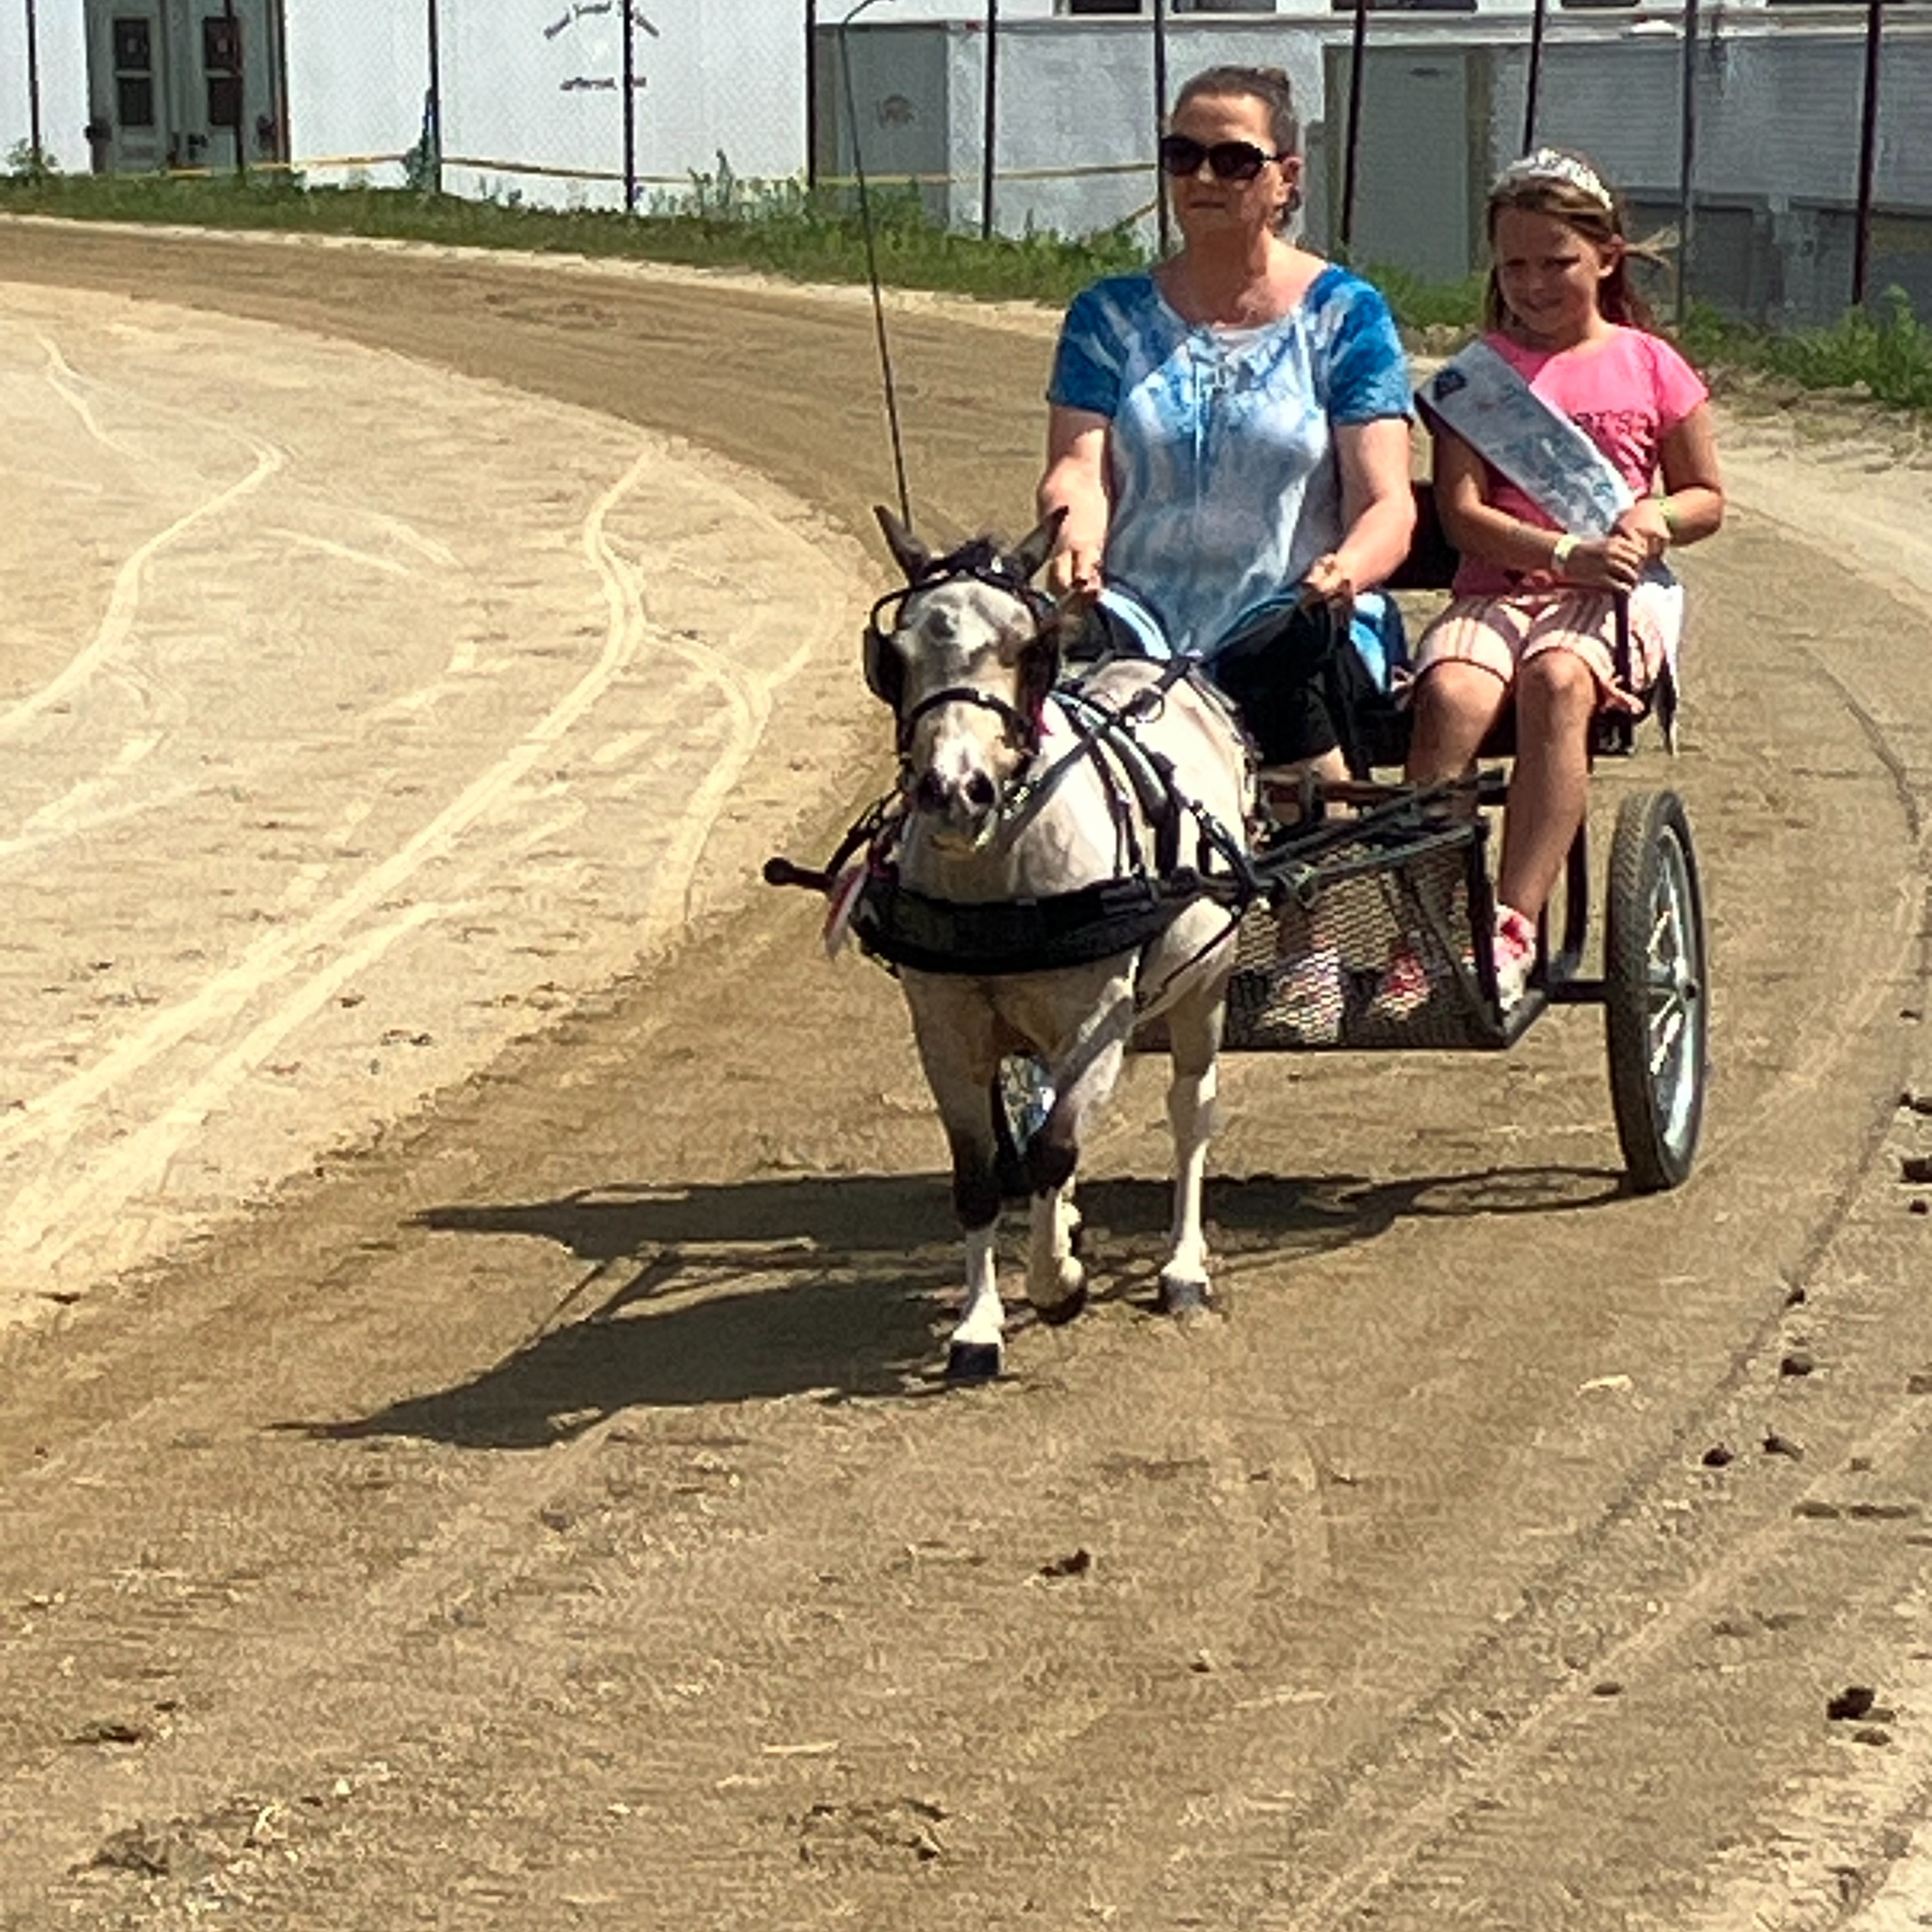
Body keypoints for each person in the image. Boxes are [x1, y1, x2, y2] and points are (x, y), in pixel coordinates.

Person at [1396, 148, 1725, 1011]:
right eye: (1515, 265)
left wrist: (1656, 518)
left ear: (1606, 258)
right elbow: (1463, 516)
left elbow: (1706, 499)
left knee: (1557, 680)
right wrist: (1554, 553)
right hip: (1499, 587)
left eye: (1557, 263)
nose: (1534, 284)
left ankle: (1513, 919)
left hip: (1608, 601)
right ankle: (1428, 924)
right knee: (1453, 695)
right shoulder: (1476, 379)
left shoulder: (1652, 365)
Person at [1036, 63, 1416, 785]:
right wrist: (1077, 545)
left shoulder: (1346, 316)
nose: (1204, 177)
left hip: (1291, 630)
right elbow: (1077, 472)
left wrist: (1341, 576)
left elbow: (1386, 504)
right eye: (1183, 155)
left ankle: (1331, 864)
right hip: (1133, 629)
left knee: (1288, 729)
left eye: (1235, 160)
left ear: (1286, 178)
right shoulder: (1106, 316)